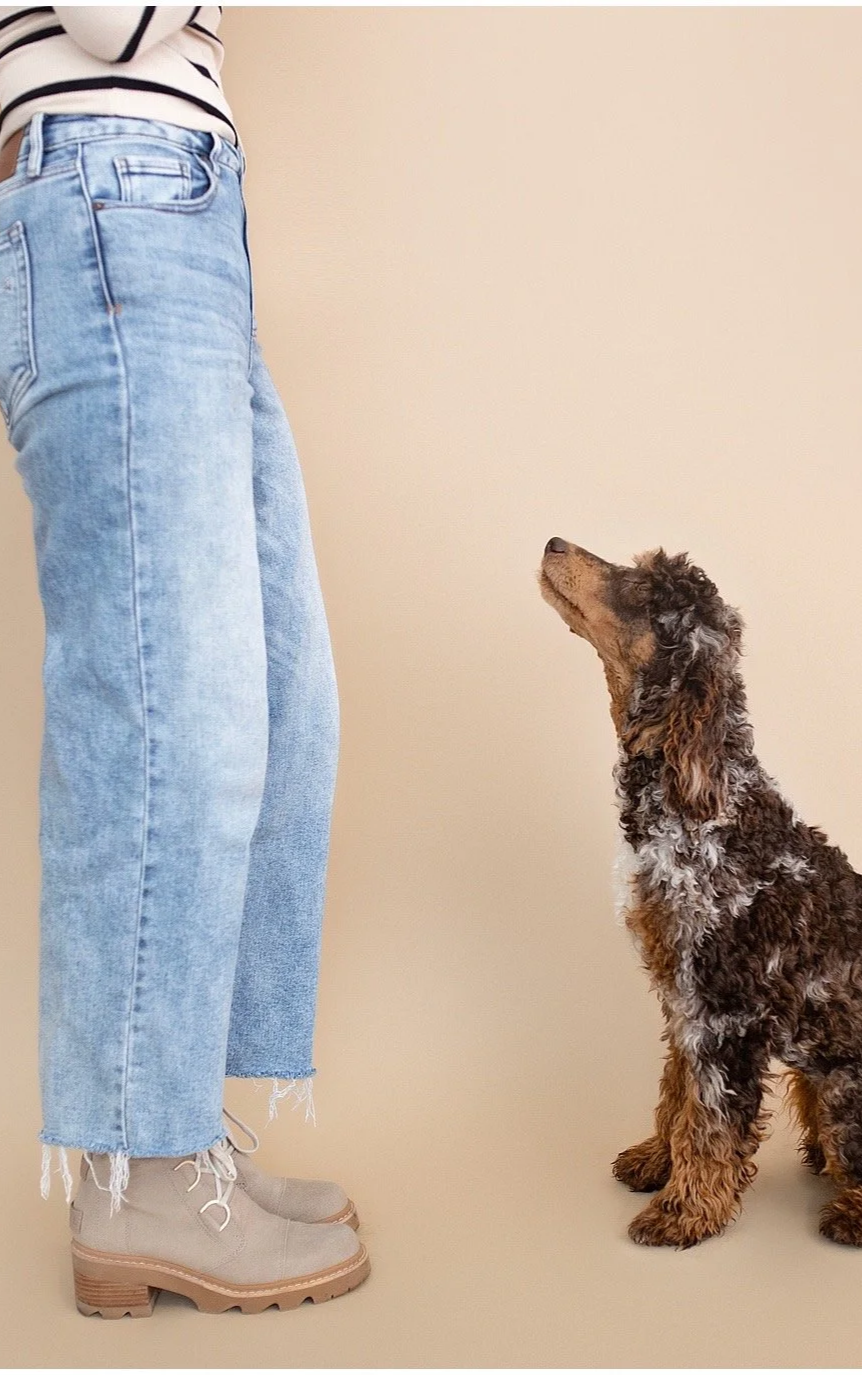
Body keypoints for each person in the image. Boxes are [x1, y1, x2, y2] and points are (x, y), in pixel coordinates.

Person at [0, 6, 370, 1315]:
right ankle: (137, 1176)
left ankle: (179, 1131)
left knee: (273, 688)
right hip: (113, 188)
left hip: (179, 200)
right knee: (168, 698)